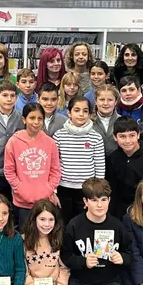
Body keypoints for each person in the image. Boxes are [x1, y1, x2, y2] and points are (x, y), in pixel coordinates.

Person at [61, 178, 132, 285]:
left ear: (109, 200)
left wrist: (122, 258)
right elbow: (66, 256)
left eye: (103, 200)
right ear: (85, 201)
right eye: (94, 200)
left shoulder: (117, 226)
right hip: (82, 282)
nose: (99, 205)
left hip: (109, 282)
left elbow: (129, 253)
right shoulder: (74, 225)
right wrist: (82, 261)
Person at [4, 103, 61, 228]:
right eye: (32, 118)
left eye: (40, 118)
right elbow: (9, 171)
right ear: (24, 119)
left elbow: (55, 170)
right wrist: (21, 189)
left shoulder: (50, 143)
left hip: (45, 201)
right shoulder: (13, 142)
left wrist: (48, 189)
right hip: (22, 203)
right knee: (25, 237)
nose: (36, 122)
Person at [53, 96, 105, 224]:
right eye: (77, 110)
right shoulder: (59, 136)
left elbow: (99, 166)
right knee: (63, 222)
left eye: (85, 111)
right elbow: (54, 165)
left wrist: (96, 191)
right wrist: (53, 189)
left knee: (83, 222)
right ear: (69, 113)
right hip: (63, 188)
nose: (81, 114)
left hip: (86, 189)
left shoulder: (95, 137)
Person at [22, 200, 69, 285]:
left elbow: (65, 268)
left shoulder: (60, 239)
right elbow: (22, 268)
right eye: (42, 219)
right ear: (34, 219)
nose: (47, 224)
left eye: (51, 220)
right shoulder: (24, 240)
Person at [91, 85, 121, 156]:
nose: (105, 103)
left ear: (116, 101)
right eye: (102, 99)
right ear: (95, 101)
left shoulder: (123, 121)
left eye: (110, 100)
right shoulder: (88, 122)